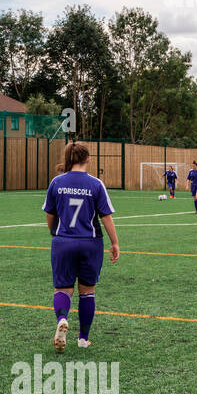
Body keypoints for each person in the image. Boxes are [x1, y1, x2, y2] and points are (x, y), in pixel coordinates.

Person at [43, 142, 119, 352]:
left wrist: (55, 232)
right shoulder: (96, 184)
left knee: (63, 288)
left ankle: (62, 318)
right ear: (88, 159)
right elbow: (105, 217)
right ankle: (83, 338)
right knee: (87, 291)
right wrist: (114, 242)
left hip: (63, 242)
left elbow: (50, 214)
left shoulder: (56, 182)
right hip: (90, 243)